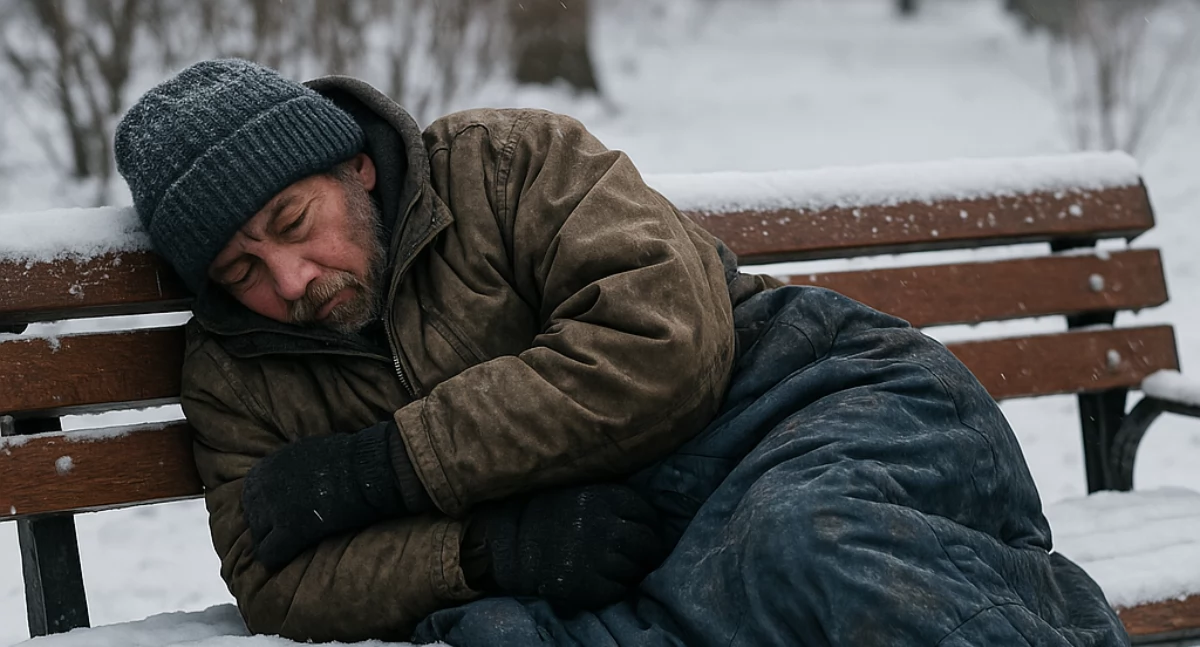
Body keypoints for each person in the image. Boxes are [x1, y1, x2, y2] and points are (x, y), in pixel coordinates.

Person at [115, 59, 1129, 646]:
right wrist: (481, 550)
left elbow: (662, 343)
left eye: (294, 222)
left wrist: (391, 464)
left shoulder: (510, 166)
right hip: (629, 537)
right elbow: (272, 574)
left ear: (352, 167)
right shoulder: (236, 367)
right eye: (242, 269)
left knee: (804, 545)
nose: (288, 281)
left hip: (800, 402)